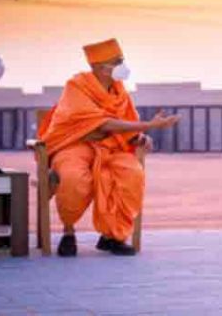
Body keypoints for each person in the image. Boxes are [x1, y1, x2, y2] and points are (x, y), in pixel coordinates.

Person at [38, 38, 180, 257]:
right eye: (117, 61)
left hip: (111, 147)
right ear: (98, 66)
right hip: (74, 145)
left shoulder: (119, 90)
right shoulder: (76, 87)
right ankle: (68, 232)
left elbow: (126, 126)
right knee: (74, 178)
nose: (122, 66)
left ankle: (112, 236)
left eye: (121, 60)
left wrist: (138, 137)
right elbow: (103, 124)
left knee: (131, 174)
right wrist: (150, 125)